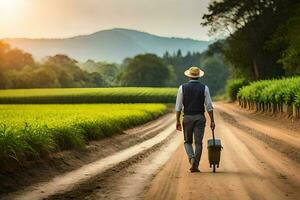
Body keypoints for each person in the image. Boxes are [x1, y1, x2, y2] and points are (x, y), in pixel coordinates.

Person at [175, 66, 215, 172]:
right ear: (198, 76)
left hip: (187, 117)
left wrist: (177, 120)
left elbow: (178, 106)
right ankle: (196, 165)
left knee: (187, 141)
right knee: (198, 143)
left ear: (189, 76)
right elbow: (209, 106)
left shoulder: (182, 88)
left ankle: (191, 158)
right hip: (200, 117)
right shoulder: (204, 88)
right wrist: (212, 120)